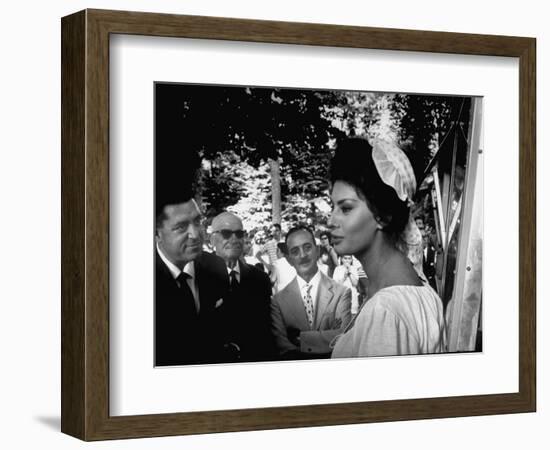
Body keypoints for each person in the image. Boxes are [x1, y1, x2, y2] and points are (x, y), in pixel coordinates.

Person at [328, 138, 446, 358]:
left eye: (345, 208)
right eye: (332, 206)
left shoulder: (385, 311)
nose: (331, 220)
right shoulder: (418, 286)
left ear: (382, 216)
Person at [155, 187, 237, 366]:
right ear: (157, 233)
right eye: (181, 227)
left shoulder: (215, 267)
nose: (195, 234)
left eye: (198, 221)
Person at [271, 225, 352, 359]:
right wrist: (328, 335)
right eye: (295, 251)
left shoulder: (341, 293)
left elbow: (345, 337)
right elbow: (283, 348)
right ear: (289, 259)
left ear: (318, 250)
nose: (302, 255)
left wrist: (301, 339)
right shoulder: (278, 302)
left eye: (307, 247)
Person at [210, 212, 275, 362]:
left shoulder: (260, 279)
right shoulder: (200, 277)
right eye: (226, 234)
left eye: (239, 234)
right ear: (213, 239)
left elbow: (266, 329)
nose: (234, 239)